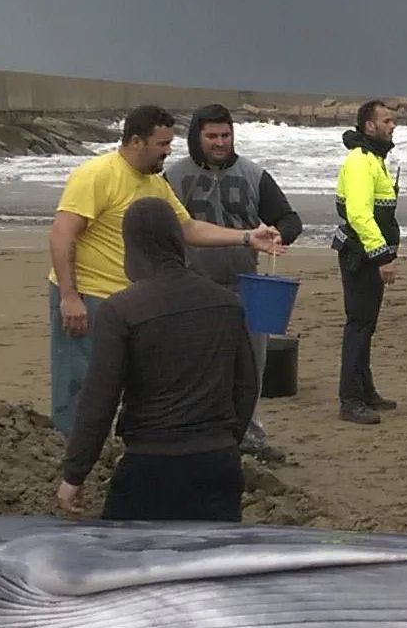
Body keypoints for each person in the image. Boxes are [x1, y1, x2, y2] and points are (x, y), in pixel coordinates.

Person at [50, 104, 283, 436]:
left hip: (131, 301)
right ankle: (70, 454)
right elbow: (62, 233)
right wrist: (69, 296)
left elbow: (188, 228)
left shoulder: (154, 184)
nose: (168, 151)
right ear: (136, 142)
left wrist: (247, 237)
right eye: (161, 144)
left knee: (129, 383)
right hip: (88, 297)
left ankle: (112, 453)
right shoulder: (97, 175)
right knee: (82, 385)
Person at [55, 199, 260, 521]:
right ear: (177, 241)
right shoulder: (227, 303)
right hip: (218, 462)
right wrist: (227, 442)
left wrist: (74, 474)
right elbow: (247, 385)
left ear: (132, 247)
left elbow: (99, 400)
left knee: (131, 562)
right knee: (210, 563)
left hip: (151, 464)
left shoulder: (120, 310)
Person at [163, 103, 304, 459]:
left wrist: (278, 235)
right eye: (212, 136)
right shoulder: (173, 177)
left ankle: (251, 438)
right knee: (198, 366)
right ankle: (200, 434)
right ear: (196, 135)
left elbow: (289, 219)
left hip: (247, 285)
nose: (220, 142)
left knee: (250, 368)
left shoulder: (254, 174)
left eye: (226, 135)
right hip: (194, 286)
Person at [332, 99, 400, 423]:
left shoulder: (374, 159)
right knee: (358, 325)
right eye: (387, 120)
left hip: (367, 255)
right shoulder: (361, 161)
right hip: (361, 256)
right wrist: (382, 256)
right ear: (369, 126)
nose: (393, 125)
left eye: (393, 120)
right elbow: (360, 214)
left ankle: (366, 390)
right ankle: (350, 400)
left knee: (366, 325)